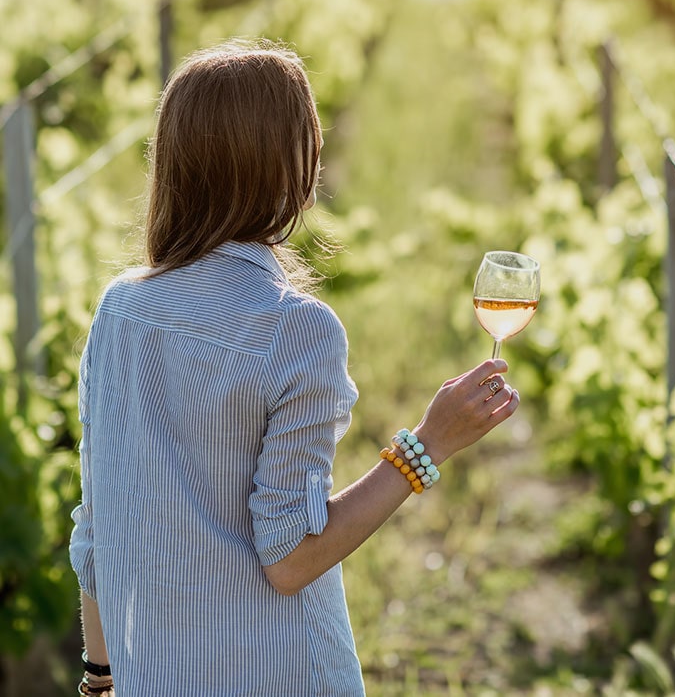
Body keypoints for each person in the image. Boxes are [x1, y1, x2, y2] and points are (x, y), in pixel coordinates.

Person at [67, 40, 521, 695]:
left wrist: (101, 679)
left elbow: (96, 530)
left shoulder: (119, 312)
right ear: (292, 170)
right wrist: (427, 446)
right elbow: (289, 559)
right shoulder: (298, 332)